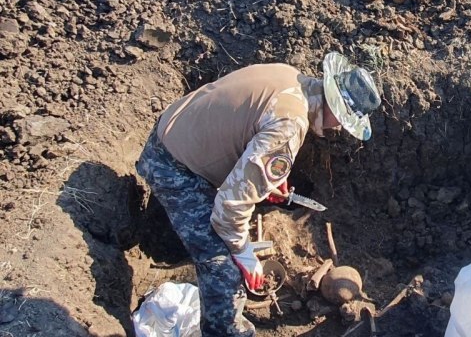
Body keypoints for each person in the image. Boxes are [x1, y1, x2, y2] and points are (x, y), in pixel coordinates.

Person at [136, 52, 381, 336]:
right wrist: (242, 253)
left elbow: (248, 128)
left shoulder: (291, 76)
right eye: (342, 121)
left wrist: (269, 179)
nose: (337, 128)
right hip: (171, 167)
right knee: (225, 271)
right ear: (336, 109)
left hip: (172, 132)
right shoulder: (291, 125)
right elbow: (230, 205)